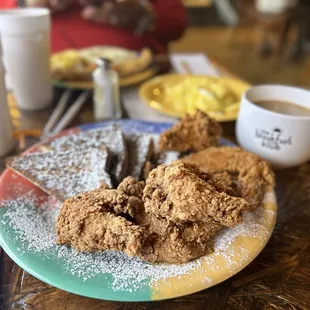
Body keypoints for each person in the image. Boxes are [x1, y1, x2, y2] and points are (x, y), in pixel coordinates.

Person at [8, 0, 187, 54]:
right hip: (39, 84)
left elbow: (177, 24)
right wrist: (24, 5)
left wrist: (143, 15)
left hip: (134, 86)